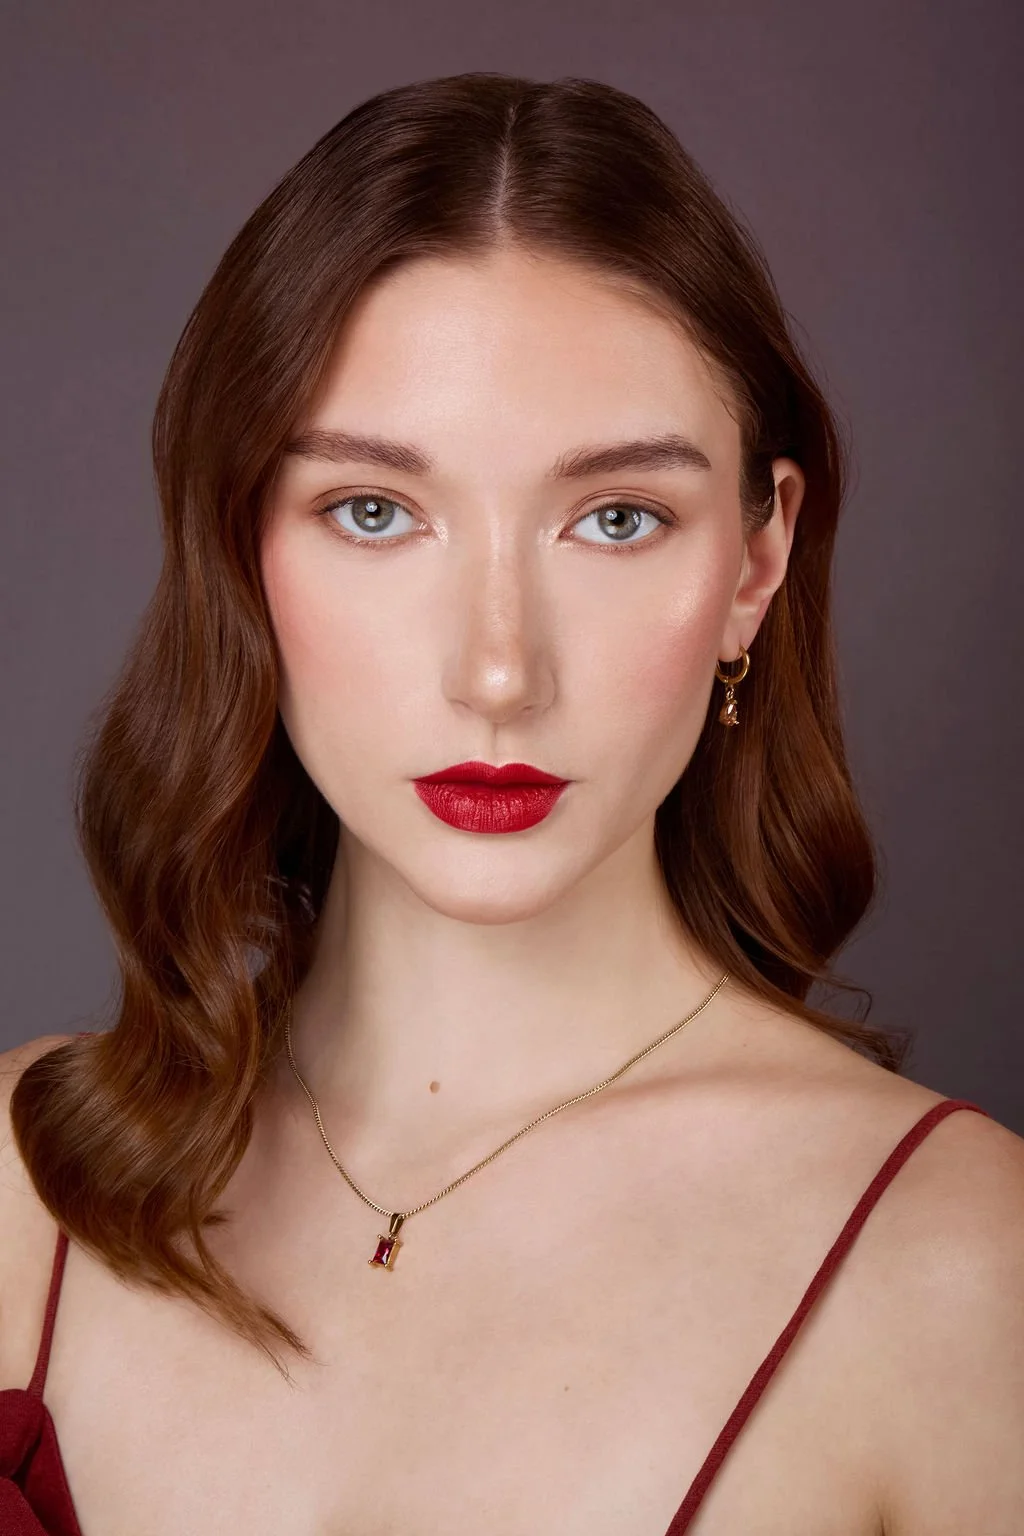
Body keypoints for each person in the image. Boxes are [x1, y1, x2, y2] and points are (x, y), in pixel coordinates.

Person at [1, 71, 1022, 1536]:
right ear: (237, 547)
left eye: (616, 518)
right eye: (374, 512)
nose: (497, 669)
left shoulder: (970, 1272)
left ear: (755, 560)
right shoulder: (15, 1187)